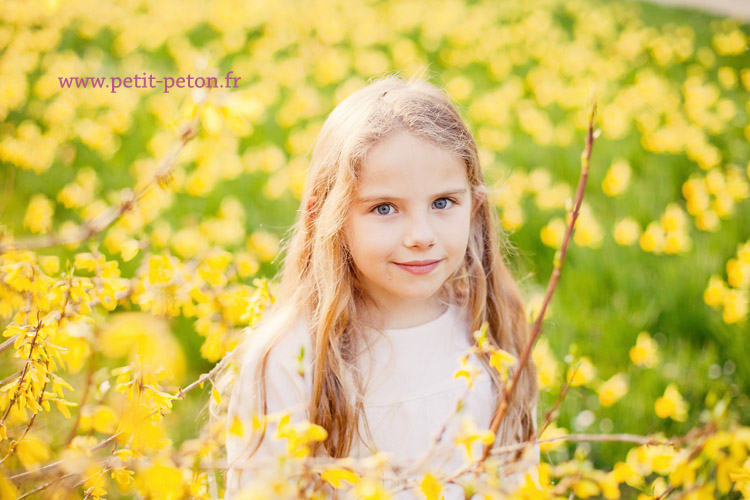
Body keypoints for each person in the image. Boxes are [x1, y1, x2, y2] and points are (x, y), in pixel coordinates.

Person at [215, 73, 539, 499]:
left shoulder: (492, 327)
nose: (421, 234)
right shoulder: (288, 360)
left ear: (474, 207)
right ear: (325, 216)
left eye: (443, 202)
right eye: (384, 208)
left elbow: (518, 478)